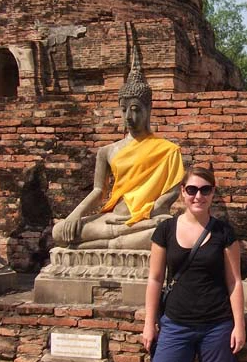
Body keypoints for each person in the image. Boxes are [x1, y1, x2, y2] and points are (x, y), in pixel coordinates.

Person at [142, 166, 246, 362]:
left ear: (213, 193)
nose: (198, 195)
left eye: (205, 190)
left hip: (216, 322)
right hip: (176, 321)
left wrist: (239, 324)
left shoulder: (224, 232)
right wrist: (150, 322)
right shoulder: (165, 229)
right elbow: (155, 278)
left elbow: (235, 281)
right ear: (182, 193)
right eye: (191, 190)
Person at [52, 49, 183, 249]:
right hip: (112, 219)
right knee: (59, 232)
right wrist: (75, 214)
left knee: (165, 227)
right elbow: (98, 190)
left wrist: (146, 213)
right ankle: (114, 242)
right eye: (124, 110)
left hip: (145, 220)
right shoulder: (107, 151)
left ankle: (98, 245)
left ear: (149, 109)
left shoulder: (168, 150)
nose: (129, 117)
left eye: (136, 109)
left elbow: (172, 192)